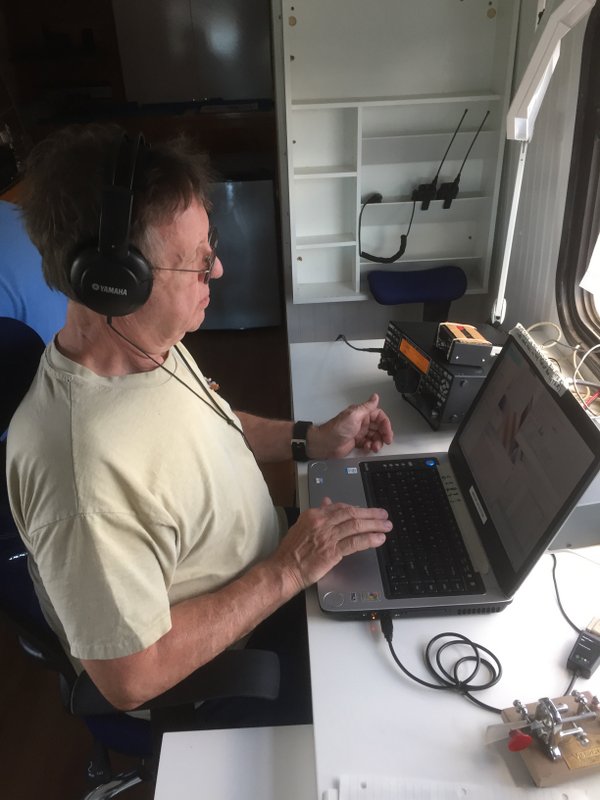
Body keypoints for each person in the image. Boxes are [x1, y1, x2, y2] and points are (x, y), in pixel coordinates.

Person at [6, 124, 393, 724]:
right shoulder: (82, 475)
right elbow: (131, 678)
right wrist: (289, 569)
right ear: (117, 282)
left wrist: (312, 439)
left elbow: (212, 425)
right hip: (225, 667)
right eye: (198, 263)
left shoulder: (147, 347)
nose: (219, 271)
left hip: (276, 575)